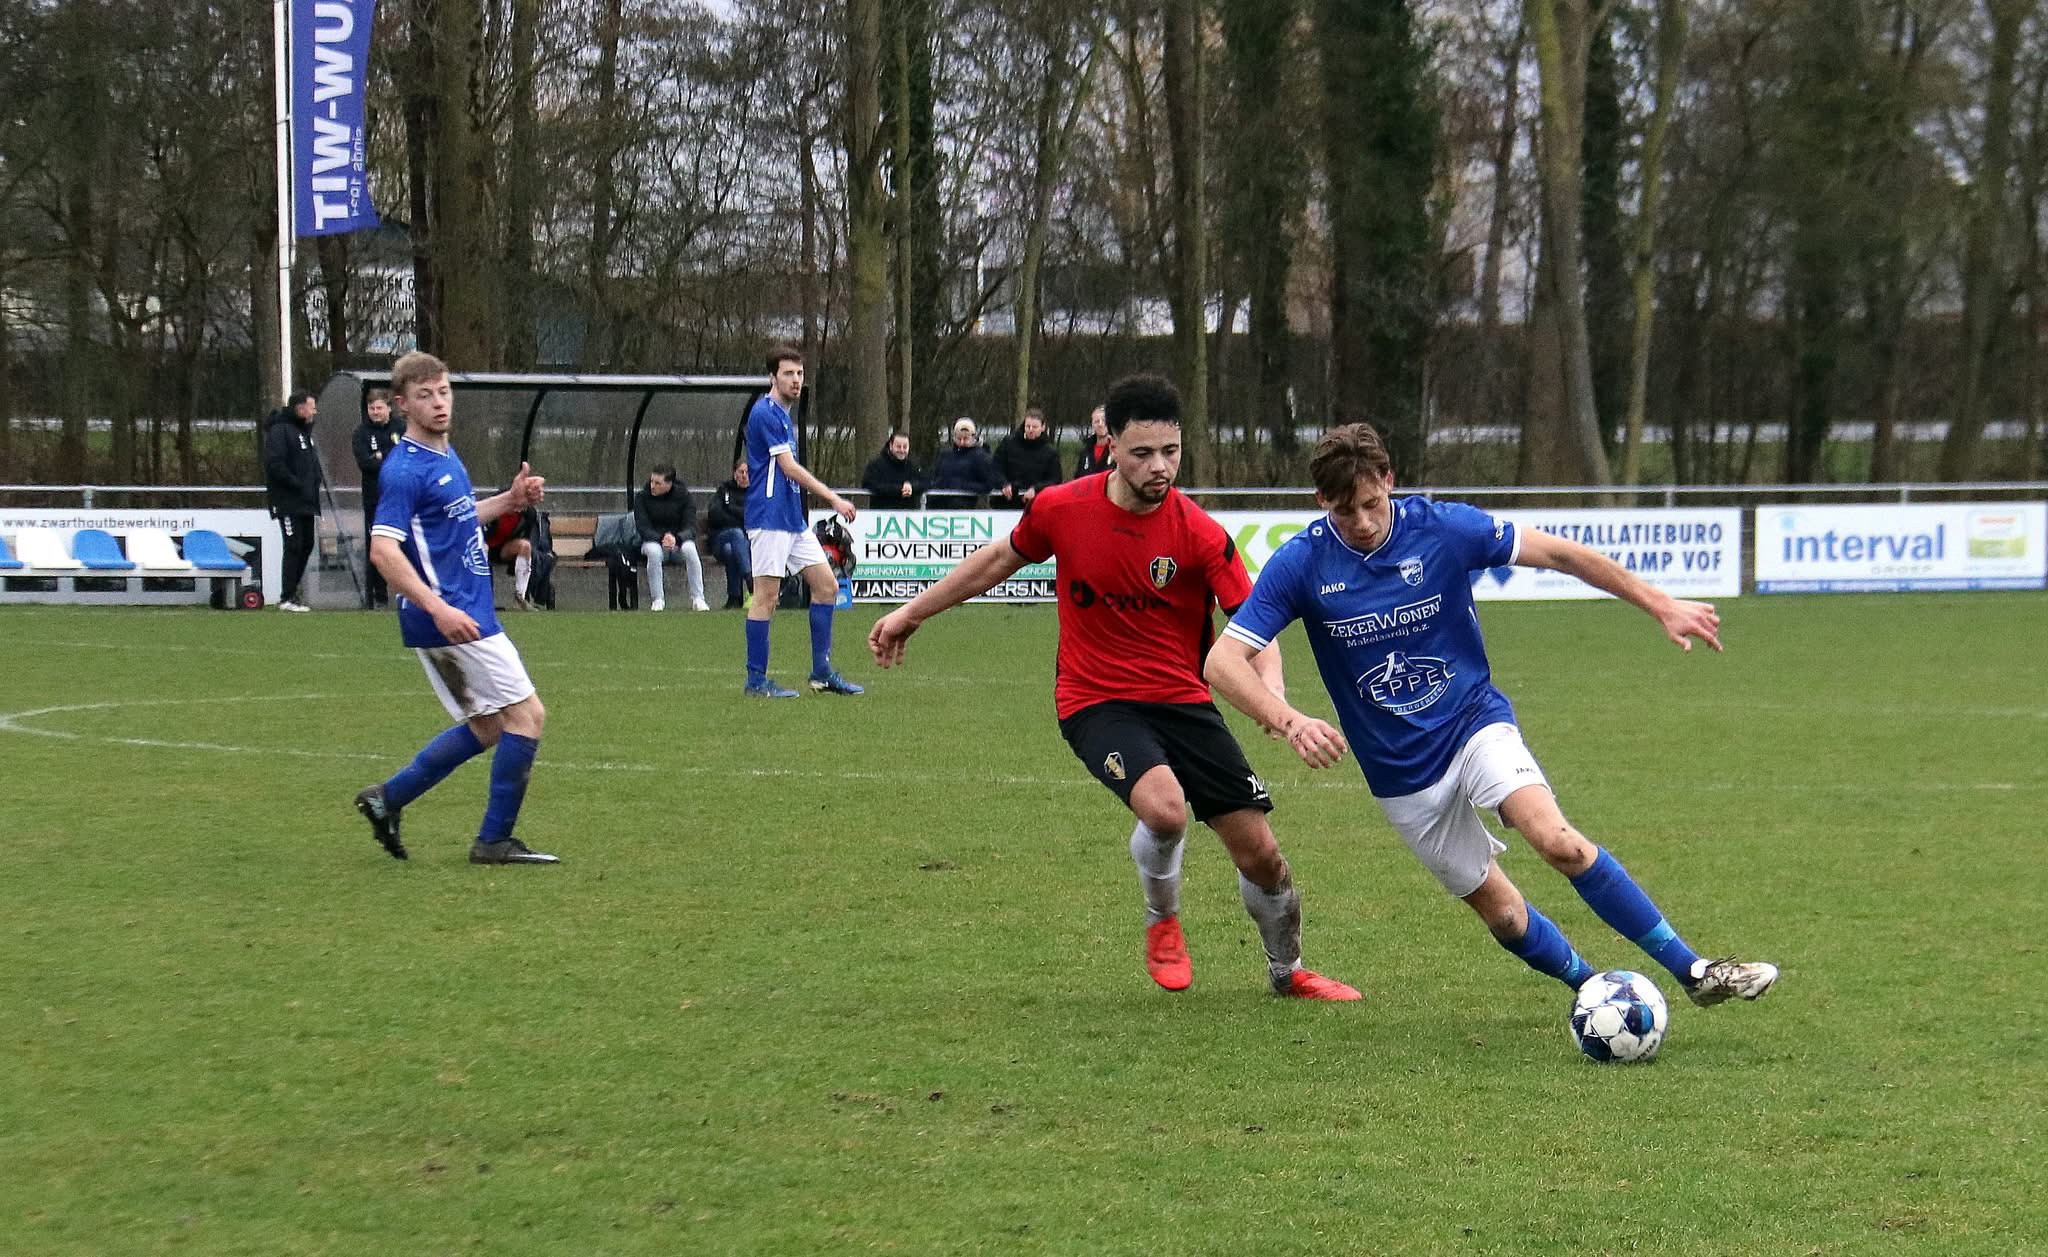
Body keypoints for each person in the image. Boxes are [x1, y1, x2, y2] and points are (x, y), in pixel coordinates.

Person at [1204, 423, 1780, 1011]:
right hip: (1399, 773)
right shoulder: (1303, 563)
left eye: (1372, 503)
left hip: (1473, 723)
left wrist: (1659, 603)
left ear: (1389, 481)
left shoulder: (1443, 528)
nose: (1364, 522)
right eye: (1345, 511)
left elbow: (1559, 553)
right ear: (1321, 501)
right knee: (1504, 916)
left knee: (1558, 842)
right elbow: (1222, 662)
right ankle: (1593, 992)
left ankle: (1694, 971)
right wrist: (1290, 719)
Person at [868, 373, 1359, 1001]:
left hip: (1184, 702)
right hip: (1094, 700)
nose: (1160, 467)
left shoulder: (1200, 533)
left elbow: (1254, 627)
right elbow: (996, 561)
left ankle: (1288, 972)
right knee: (1165, 809)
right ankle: (1163, 921)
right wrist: (911, 612)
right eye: (1143, 453)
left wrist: (1275, 699)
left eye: (1171, 452)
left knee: (1261, 854)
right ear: (1110, 447)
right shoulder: (1062, 509)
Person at [353, 351, 559, 866]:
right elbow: (383, 551)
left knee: (490, 726)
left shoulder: (444, 455)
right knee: (527, 716)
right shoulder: (404, 470)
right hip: (454, 616)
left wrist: (509, 500)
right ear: (402, 405)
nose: (438, 403)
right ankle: (494, 841)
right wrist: (439, 609)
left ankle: (387, 799)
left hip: (453, 613)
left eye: (443, 392)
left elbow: (457, 518)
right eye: (424, 396)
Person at [742, 346, 863, 698]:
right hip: (769, 518)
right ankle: (755, 681)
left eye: (799, 374)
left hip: (792, 520)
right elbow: (789, 468)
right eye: (788, 374)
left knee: (827, 587)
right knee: (766, 598)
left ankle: (821, 673)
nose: (796, 380)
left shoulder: (782, 416)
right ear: (772, 377)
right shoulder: (765, 413)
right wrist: (833, 499)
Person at [263, 390, 322, 611]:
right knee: (293, 545)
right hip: (288, 500)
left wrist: (313, 483)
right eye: (312, 407)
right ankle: (286, 597)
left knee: (307, 544)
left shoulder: (304, 432)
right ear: (300, 408)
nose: (314, 411)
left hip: (306, 501)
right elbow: (274, 464)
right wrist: (295, 483)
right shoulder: (280, 430)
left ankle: (292, 594)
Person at [634, 463, 709, 612]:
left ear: (669, 484)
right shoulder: (642, 497)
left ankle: (698, 598)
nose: (652, 486)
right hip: (654, 542)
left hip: (678, 543)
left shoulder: (684, 497)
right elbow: (643, 527)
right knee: (654, 552)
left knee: (690, 549)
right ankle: (658, 600)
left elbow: (691, 526)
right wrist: (662, 538)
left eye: (658, 483)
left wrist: (677, 539)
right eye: (651, 481)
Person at [352, 389, 401, 608]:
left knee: (406, 544)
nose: (375, 412)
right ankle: (379, 596)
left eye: (379, 407)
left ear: (389, 408)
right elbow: (365, 463)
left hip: (400, 496)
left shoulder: (401, 428)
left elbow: (406, 456)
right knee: (377, 545)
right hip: (375, 499)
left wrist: (382, 455)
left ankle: (410, 592)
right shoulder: (361, 433)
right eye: (371, 408)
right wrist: (388, 456)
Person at [994, 407, 1064, 508]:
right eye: (1028, 426)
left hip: (1035, 505)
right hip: (1005, 503)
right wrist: (1003, 484)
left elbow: (1055, 479)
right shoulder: (1008, 443)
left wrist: (1036, 489)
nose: (1030, 430)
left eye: (1035, 427)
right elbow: (996, 467)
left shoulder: (1050, 453)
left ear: (1043, 427)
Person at [706, 459, 751, 609]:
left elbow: (751, 517)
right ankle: (750, 579)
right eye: (741, 472)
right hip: (720, 539)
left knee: (731, 551)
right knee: (736, 534)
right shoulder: (724, 490)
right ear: (734, 473)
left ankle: (734, 598)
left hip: (746, 544)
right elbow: (714, 515)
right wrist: (738, 519)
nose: (744, 476)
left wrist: (730, 508)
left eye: (748, 473)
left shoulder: (756, 493)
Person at [927, 417, 999, 508]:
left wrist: (961, 485)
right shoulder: (944, 455)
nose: (962, 442)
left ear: (973, 437)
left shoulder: (981, 457)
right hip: (938, 503)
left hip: (964, 505)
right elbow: (934, 477)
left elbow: (988, 485)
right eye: (959, 438)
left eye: (966, 438)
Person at [861, 431, 928, 509]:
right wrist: (899, 489)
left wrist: (912, 487)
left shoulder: (913, 465)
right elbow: (868, 484)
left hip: (908, 514)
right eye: (898, 447)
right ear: (891, 446)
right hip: (882, 513)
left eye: (905, 447)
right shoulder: (876, 465)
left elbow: (927, 482)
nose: (902, 450)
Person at [1074, 404, 1114, 478]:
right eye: (1097, 421)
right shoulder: (1085, 451)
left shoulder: (1116, 450)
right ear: (1092, 424)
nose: (1100, 424)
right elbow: (1078, 478)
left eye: (1104, 421)